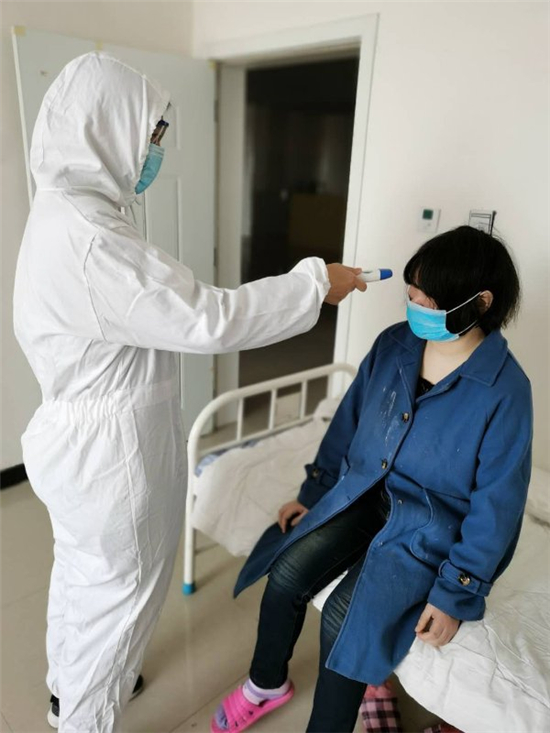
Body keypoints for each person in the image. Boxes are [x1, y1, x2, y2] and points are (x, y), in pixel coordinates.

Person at [12, 51, 366, 733]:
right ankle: (84, 715)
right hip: (110, 456)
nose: (154, 153)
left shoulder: (62, 212)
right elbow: (211, 318)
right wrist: (315, 284)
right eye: (150, 136)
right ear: (104, 127)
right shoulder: (93, 243)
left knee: (84, 579)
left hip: (74, 439)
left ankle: (68, 689)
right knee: (117, 600)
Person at [211, 225, 533, 733]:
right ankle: (266, 683)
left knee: (346, 619)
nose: (414, 305)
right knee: (286, 570)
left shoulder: (505, 391)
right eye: (412, 292)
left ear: (481, 302)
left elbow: (499, 504)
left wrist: (455, 593)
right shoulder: (395, 345)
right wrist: (315, 492)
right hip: (361, 491)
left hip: (430, 523)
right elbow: (349, 421)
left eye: (427, 298)